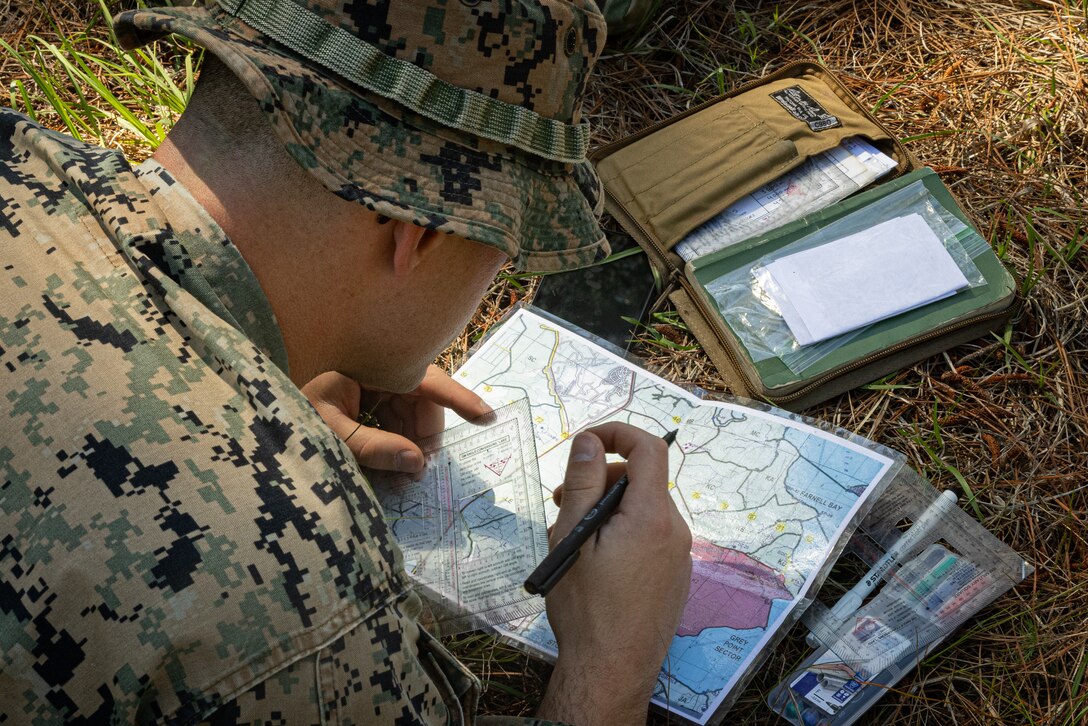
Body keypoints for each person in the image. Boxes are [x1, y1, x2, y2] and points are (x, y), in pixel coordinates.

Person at [0, 1, 692, 724]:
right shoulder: (293, 601)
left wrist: (275, 383)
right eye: (506, 240)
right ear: (420, 232)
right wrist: (610, 669)